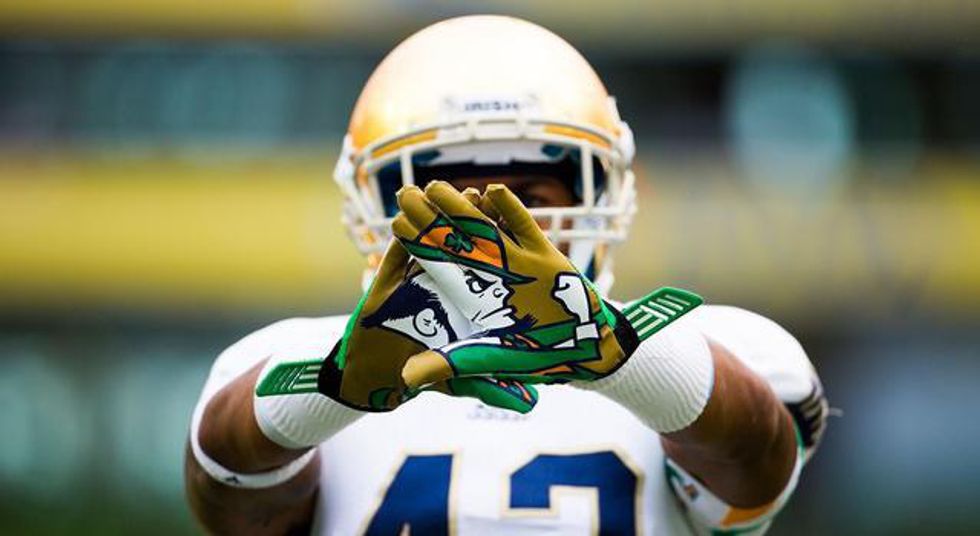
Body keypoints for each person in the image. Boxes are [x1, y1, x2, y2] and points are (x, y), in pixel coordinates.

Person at [185, 15, 828, 535]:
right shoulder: (290, 358)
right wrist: (333, 384)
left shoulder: (706, 352)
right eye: (449, 197)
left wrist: (613, 351)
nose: (488, 229)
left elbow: (753, 461)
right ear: (375, 206)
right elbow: (231, 495)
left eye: (530, 199)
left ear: (598, 198)